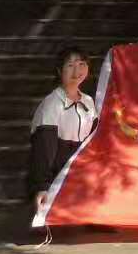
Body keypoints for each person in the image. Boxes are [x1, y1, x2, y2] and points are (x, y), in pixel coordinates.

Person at [28, 45, 97, 213]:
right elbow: (44, 149)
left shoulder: (88, 101)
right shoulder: (52, 104)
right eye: (70, 65)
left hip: (81, 174)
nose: (77, 70)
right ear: (59, 71)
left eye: (81, 64)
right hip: (56, 174)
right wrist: (43, 186)